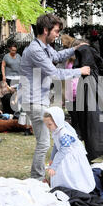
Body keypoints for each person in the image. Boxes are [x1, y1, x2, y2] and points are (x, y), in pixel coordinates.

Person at [19, 13, 90, 182]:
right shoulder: (35, 50)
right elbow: (55, 73)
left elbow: (57, 57)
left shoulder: (44, 47)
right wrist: (79, 71)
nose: (58, 34)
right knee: (43, 142)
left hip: (39, 99)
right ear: (45, 30)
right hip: (33, 100)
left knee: (46, 140)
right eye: (56, 31)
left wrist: (74, 49)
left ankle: (40, 177)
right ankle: (36, 179)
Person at [44, 106, 95, 194]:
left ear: (57, 121)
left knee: (71, 174)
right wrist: (52, 159)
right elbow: (56, 145)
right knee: (61, 174)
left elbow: (64, 149)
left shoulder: (64, 133)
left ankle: (74, 188)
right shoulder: (56, 130)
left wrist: (54, 166)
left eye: (49, 124)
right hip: (63, 155)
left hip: (70, 157)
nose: (48, 127)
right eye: (46, 125)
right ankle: (62, 188)